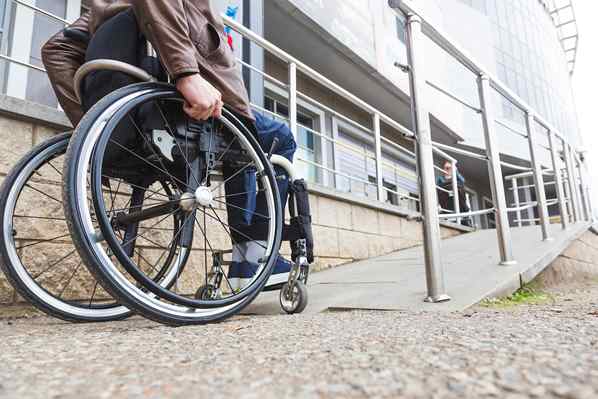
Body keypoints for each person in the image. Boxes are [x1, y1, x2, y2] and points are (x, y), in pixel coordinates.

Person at [41, 0, 296, 289]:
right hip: (189, 108)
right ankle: (252, 256)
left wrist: (96, 129)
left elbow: (56, 50)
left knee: (242, 139)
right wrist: (187, 74)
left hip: (148, 119)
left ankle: (248, 256)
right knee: (277, 137)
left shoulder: (103, 9)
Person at [436, 161, 471, 226]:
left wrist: (456, 171)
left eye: (449, 168)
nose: (447, 169)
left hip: (458, 200)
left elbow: (463, 181)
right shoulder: (440, 178)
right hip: (446, 201)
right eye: (446, 168)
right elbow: (437, 188)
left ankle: (464, 218)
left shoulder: (456, 177)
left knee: (459, 186)